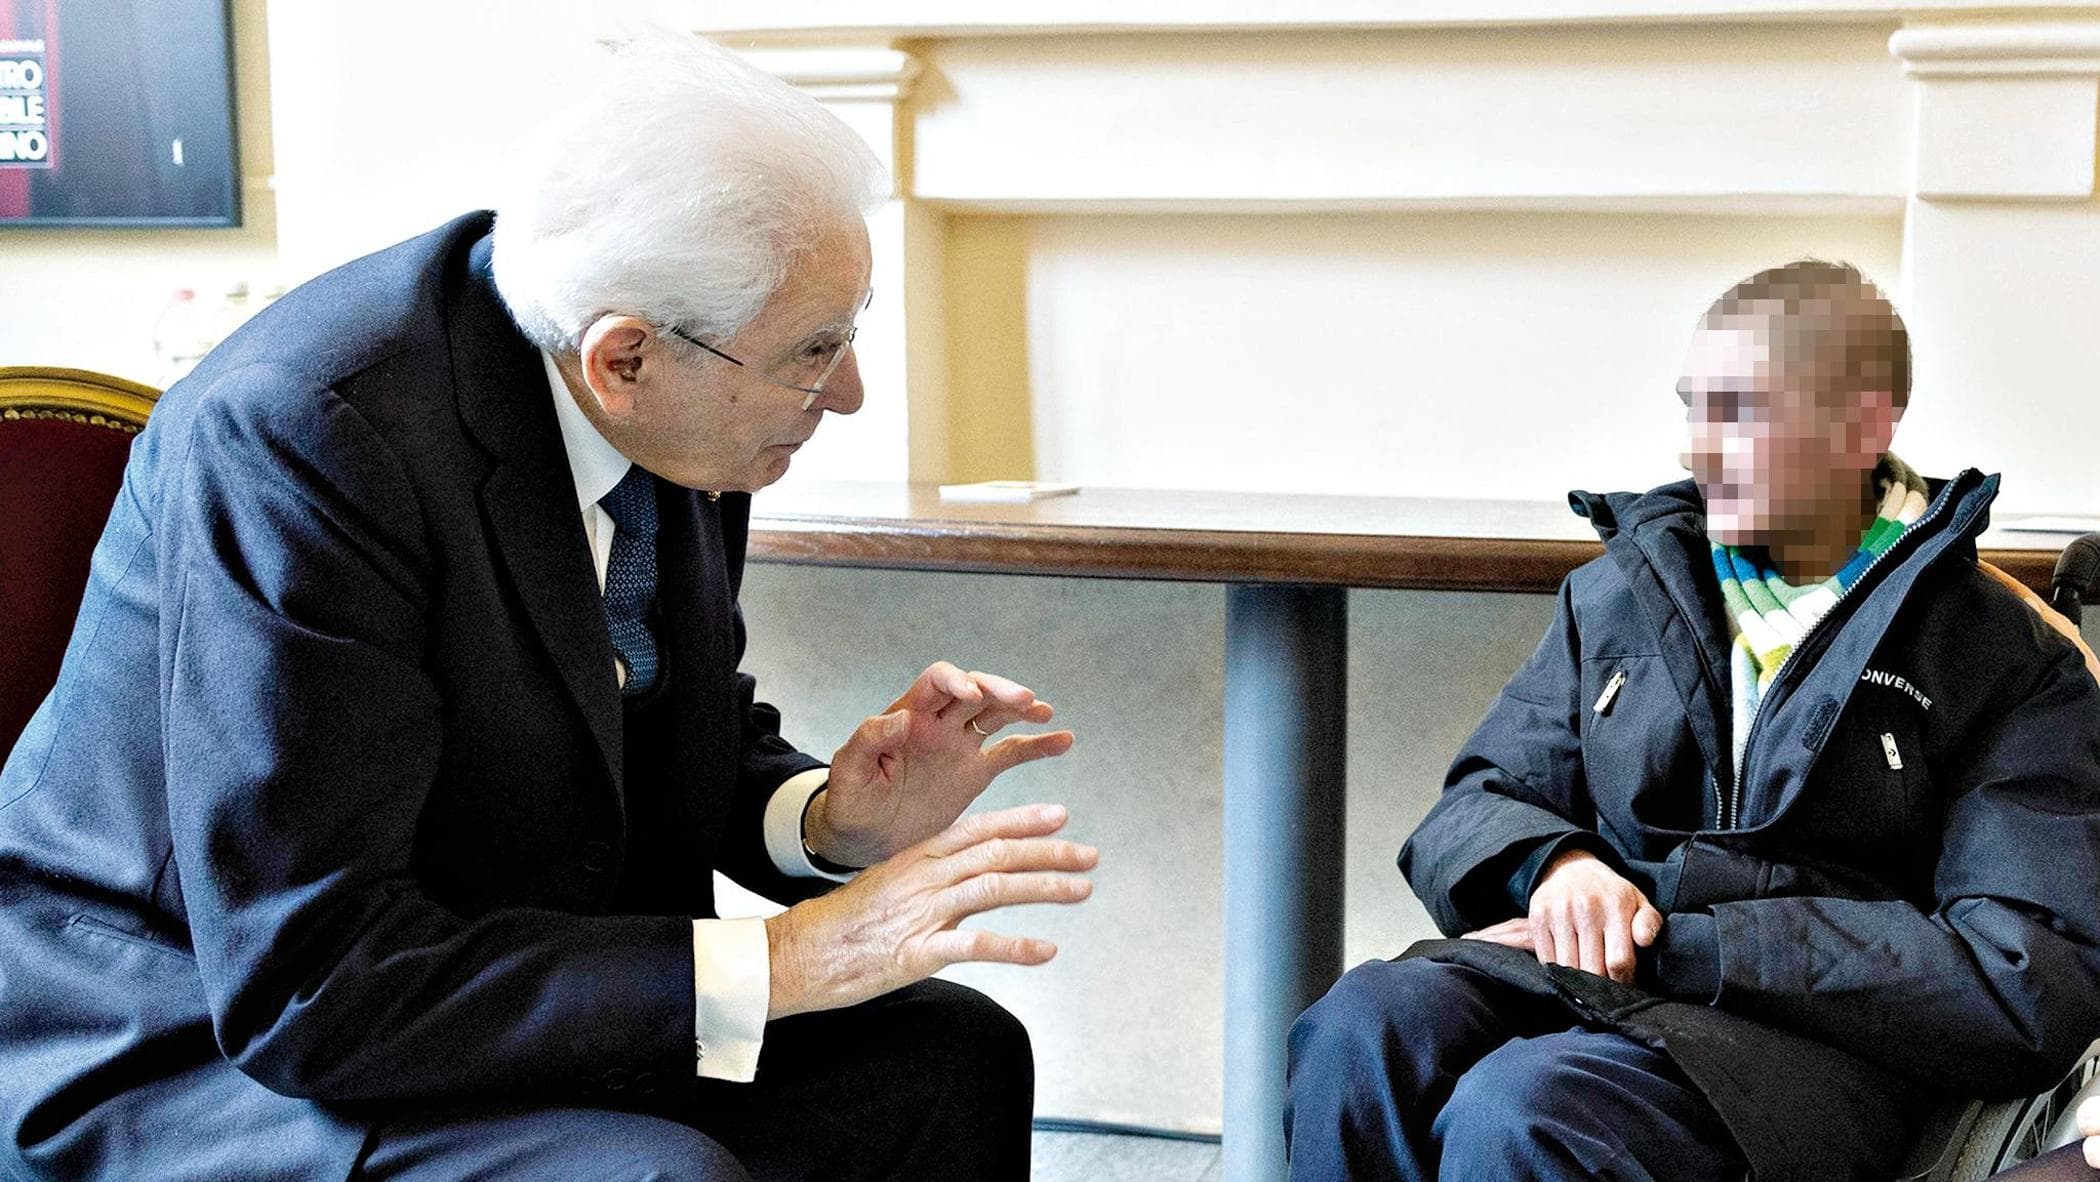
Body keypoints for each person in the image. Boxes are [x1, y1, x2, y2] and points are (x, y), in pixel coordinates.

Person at [0, 33, 1097, 1182]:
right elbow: (309, 980)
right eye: (815, 351)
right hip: (190, 1037)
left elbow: (644, 720)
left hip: (474, 964)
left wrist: (829, 823)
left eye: (849, 329)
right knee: (656, 1176)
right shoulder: (310, 435)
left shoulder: (675, 384)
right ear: (623, 360)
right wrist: (780, 960)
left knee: (952, 1055)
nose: (851, 392)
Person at [1284, 260, 2100, 1181]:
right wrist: (1557, 866)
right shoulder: (1620, 596)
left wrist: (1678, 945)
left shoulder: (2006, 656)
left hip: (1820, 1045)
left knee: (1527, 1114)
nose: (1698, 451)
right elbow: (1478, 799)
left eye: (1741, 412)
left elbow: (2024, 974)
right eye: (1694, 410)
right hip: (1596, 987)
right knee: (1359, 1030)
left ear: (1867, 423)